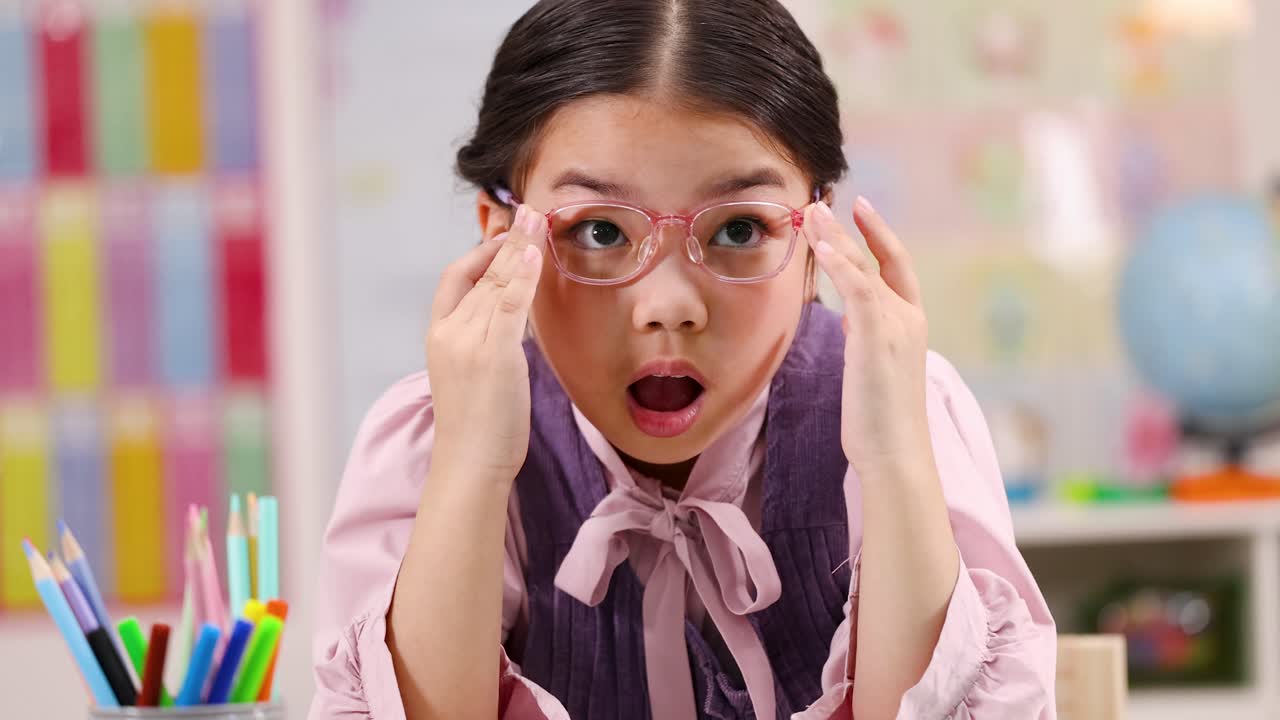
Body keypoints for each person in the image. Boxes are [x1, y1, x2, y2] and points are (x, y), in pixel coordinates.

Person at [309, 1, 1057, 718]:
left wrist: (893, 457)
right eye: (598, 232)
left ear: (814, 240)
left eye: (738, 229)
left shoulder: (904, 404)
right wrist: (473, 462)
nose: (669, 304)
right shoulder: (428, 439)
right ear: (498, 237)